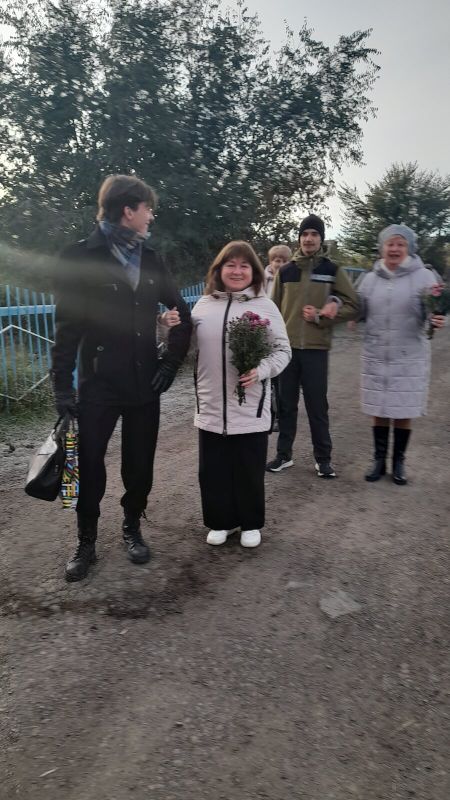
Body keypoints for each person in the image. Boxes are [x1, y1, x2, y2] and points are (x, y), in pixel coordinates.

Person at [51, 174, 192, 581]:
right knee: (87, 464)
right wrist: (62, 388)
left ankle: (132, 527)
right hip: (97, 384)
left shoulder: (151, 259)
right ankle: (86, 541)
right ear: (128, 210)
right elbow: (67, 330)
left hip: (144, 383)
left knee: (140, 464)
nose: (151, 216)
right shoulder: (79, 257)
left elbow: (181, 313)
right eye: (148, 209)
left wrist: (170, 363)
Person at [191, 241, 291, 548]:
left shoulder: (265, 306)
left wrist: (260, 370)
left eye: (244, 265)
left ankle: (250, 523)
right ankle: (221, 521)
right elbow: (186, 347)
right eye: (230, 265)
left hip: (250, 405)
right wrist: (167, 328)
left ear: (254, 271)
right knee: (213, 470)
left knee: (248, 468)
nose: (237, 271)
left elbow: (283, 351)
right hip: (211, 405)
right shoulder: (203, 305)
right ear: (219, 269)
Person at [266, 214, 358, 478]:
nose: (309, 239)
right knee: (286, 405)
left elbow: (353, 305)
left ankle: (323, 459)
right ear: (299, 238)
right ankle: (284, 456)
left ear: (321, 239)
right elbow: (272, 311)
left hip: (317, 349)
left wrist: (323, 315)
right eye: (304, 234)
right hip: (287, 350)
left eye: (314, 234)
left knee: (317, 406)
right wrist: (271, 345)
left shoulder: (332, 270)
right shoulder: (286, 271)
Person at [355, 224, 445, 485]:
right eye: (390, 244)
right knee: (380, 407)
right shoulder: (370, 279)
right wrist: (339, 308)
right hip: (377, 351)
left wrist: (437, 318)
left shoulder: (424, 277)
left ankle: (398, 462)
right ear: (382, 247)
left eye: (400, 244)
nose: (394, 249)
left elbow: (436, 308)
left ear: (409, 248)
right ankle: (379, 461)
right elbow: (356, 306)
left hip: (408, 353)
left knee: (403, 408)